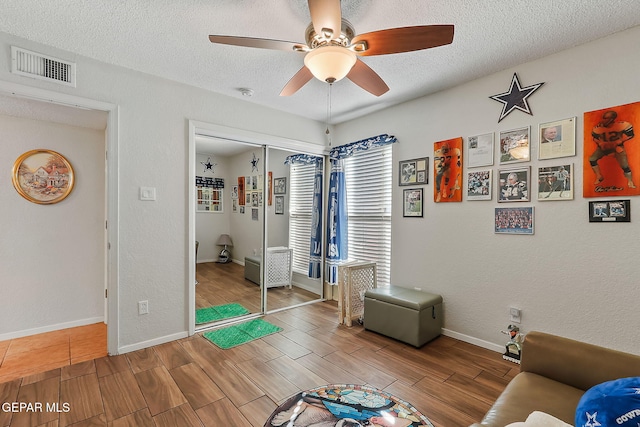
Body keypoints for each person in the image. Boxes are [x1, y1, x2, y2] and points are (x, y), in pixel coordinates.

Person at [589, 110, 636, 188]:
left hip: (617, 147)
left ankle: (630, 181)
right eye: (604, 118)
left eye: (606, 119)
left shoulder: (622, 125)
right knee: (592, 159)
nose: (604, 121)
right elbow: (595, 138)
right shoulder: (598, 128)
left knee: (625, 165)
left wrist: (620, 141)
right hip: (604, 147)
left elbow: (630, 135)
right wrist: (600, 143)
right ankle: (599, 176)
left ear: (612, 119)